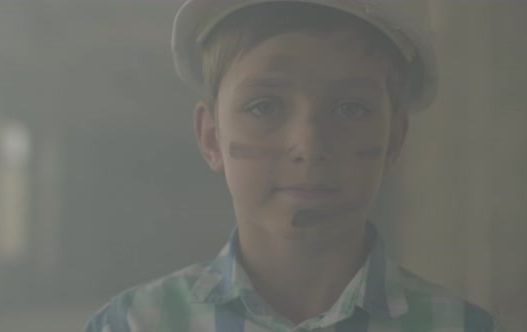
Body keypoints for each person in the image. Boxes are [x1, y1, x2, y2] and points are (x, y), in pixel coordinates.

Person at [85, 0, 505, 331]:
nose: (308, 145)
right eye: (265, 105)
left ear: (393, 140)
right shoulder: (132, 325)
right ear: (211, 136)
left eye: (350, 108)